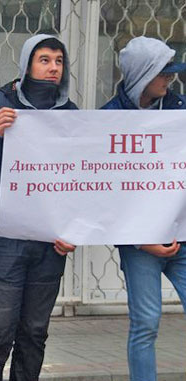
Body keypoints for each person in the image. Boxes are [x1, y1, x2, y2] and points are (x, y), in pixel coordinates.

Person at [0, 34, 77, 381]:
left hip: (50, 243)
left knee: (34, 334)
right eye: (44, 59)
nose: (53, 67)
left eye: (58, 60)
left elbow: (79, 180)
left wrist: (73, 230)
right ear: (27, 64)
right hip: (5, 237)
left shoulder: (69, 113)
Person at [101, 36, 186, 381]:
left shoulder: (180, 109)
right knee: (146, 323)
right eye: (163, 72)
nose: (170, 79)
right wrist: (138, 239)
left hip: (182, 235)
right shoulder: (107, 119)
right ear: (142, 73)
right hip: (140, 243)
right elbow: (104, 188)